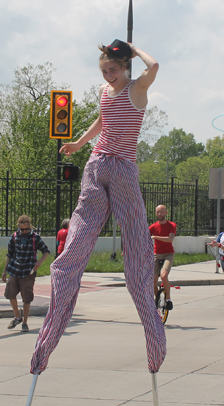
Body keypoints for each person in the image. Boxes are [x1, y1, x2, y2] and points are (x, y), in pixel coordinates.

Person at [30, 40, 166, 374]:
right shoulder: (106, 92)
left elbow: (156, 66)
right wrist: (79, 142)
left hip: (122, 168)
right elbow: (102, 122)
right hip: (97, 163)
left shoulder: (137, 89)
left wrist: (134, 49)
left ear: (125, 67)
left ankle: (151, 327)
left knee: (135, 236)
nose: (109, 76)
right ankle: (51, 328)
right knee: (80, 230)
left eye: (114, 70)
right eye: (105, 71)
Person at [3, 215, 50, 332]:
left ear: (29, 226)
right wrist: (4, 270)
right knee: (10, 293)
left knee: (26, 298)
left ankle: (25, 322)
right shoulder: (14, 237)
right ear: (19, 226)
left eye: (26, 229)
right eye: (22, 229)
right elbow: (9, 255)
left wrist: (39, 263)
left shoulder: (35, 237)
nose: (24, 231)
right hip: (14, 269)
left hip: (28, 271)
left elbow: (46, 251)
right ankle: (17, 316)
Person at [149, 204, 176, 308]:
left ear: (166, 213)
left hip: (168, 254)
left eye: (162, 211)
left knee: (164, 275)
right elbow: (142, 237)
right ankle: (158, 300)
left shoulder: (171, 225)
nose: (160, 214)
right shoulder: (153, 226)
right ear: (156, 213)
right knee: (153, 282)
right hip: (156, 255)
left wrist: (155, 236)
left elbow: (170, 239)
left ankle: (168, 299)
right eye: (158, 212)